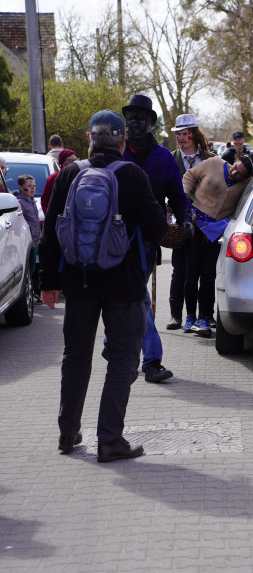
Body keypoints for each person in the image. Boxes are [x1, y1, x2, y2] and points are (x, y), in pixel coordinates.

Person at [38, 109, 168, 462]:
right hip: (124, 285)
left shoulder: (68, 175)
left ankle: (68, 433)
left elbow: (50, 234)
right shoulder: (133, 175)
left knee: (76, 356)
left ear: (89, 139)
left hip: (78, 281)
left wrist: (48, 283)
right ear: (123, 140)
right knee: (123, 360)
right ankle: (109, 440)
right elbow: (157, 229)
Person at [122, 94, 194, 383]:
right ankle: (119, 347)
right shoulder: (116, 152)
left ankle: (149, 360)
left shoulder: (163, 158)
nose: (137, 124)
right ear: (125, 122)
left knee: (137, 296)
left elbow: (177, 196)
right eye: (132, 118)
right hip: (112, 238)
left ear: (151, 124)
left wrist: (186, 219)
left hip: (145, 242)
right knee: (128, 297)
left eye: (142, 119)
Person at [182, 154, 253, 337]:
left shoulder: (245, 184)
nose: (234, 173)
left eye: (240, 174)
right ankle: (190, 315)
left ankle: (204, 317)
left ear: (246, 177)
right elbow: (189, 175)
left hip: (217, 232)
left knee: (208, 275)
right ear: (235, 161)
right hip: (195, 224)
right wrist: (183, 200)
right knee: (192, 272)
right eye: (235, 167)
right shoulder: (214, 163)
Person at [169, 113, 215, 330]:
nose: (181, 138)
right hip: (180, 223)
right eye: (178, 134)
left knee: (207, 272)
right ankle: (176, 315)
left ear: (194, 134)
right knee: (180, 269)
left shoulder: (210, 158)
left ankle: (207, 314)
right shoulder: (170, 159)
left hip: (207, 224)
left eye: (185, 134)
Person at [41, 149, 78, 216]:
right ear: (62, 162)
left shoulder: (80, 177)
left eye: (75, 160)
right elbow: (45, 200)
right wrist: (50, 217)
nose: (73, 163)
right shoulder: (53, 178)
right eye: (70, 160)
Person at [14, 174, 40, 246]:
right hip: (27, 240)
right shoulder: (20, 203)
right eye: (29, 186)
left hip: (35, 239)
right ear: (20, 187)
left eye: (34, 186)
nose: (32, 188)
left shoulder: (32, 200)